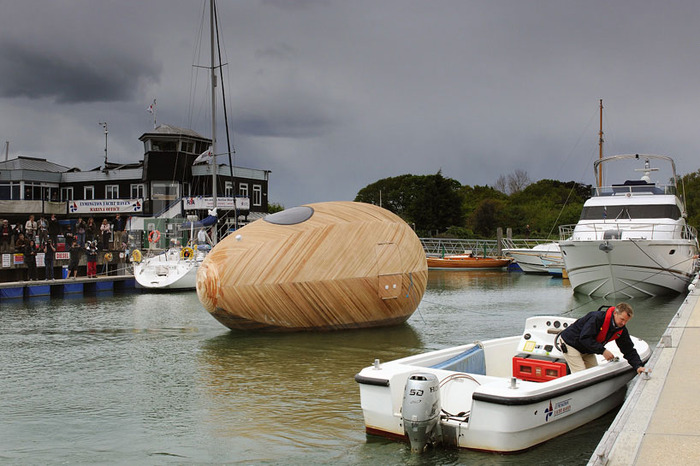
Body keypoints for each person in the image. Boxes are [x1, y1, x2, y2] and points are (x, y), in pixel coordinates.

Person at [559, 303, 646, 375]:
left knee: (595, 373)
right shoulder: (596, 318)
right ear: (615, 313)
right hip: (570, 344)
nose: (623, 323)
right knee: (581, 374)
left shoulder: (621, 329)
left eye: (626, 321)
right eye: (622, 319)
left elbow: (628, 349)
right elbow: (585, 338)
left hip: (586, 348)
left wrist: (638, 366)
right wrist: (603, 351)